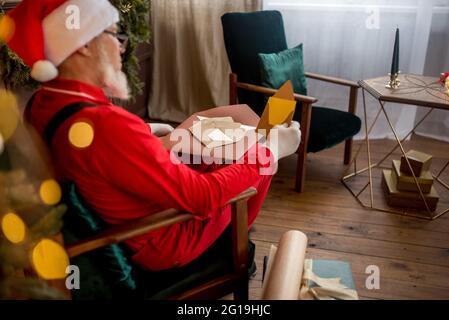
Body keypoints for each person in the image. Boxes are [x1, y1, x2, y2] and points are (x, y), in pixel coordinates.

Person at [6, 0, 301, 271]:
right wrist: (270, 151)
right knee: (255, 159)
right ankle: (231, 247)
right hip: (159, 239)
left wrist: (145, 132)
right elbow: (202, 197)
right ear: (83, 45)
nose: (121, 48)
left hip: (120, 212)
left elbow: (98, 155)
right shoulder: (105, 125)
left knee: (219, 153)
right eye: (114, 36)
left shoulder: (42, 104)